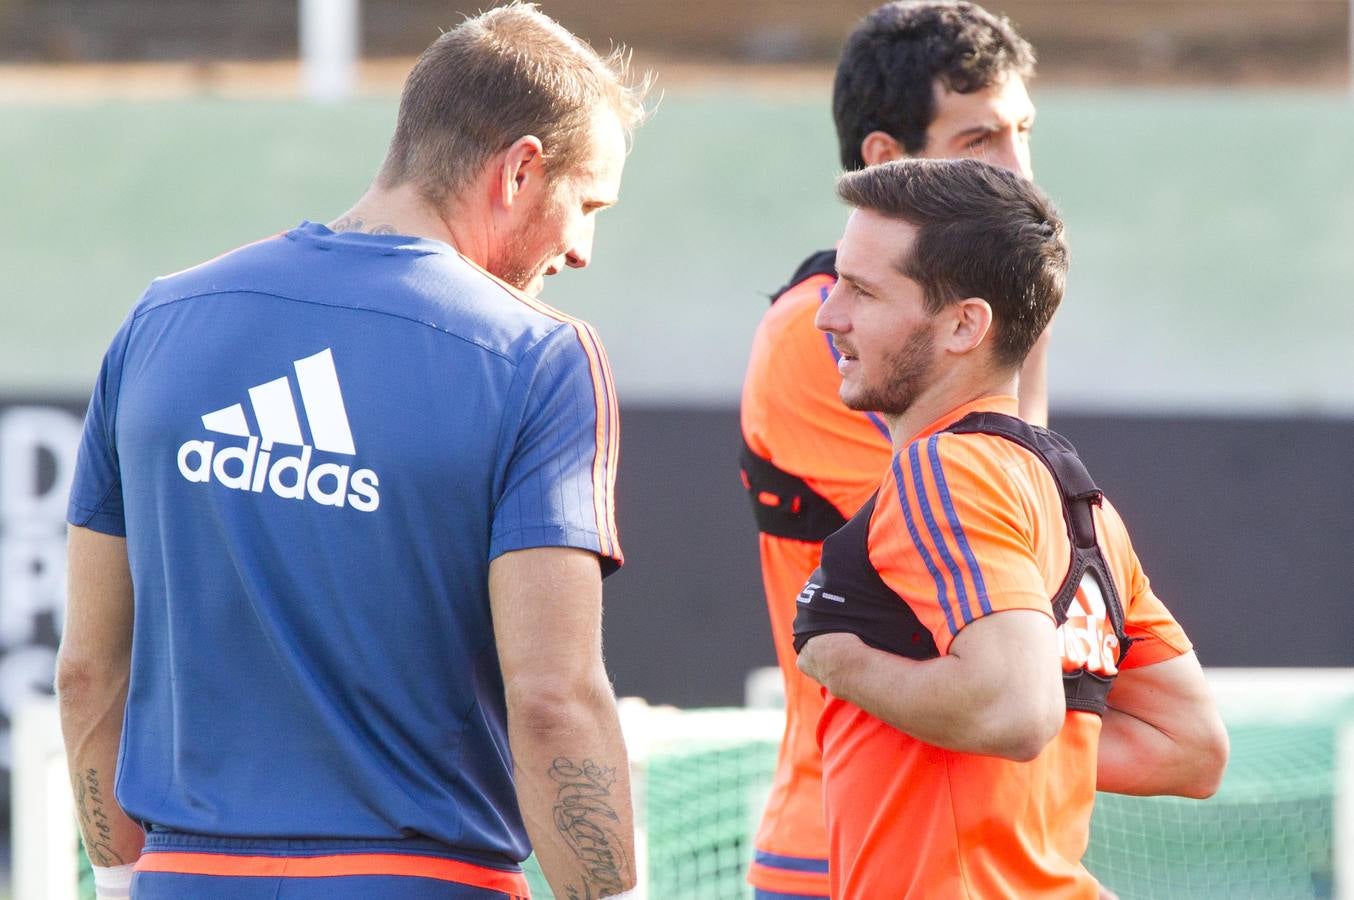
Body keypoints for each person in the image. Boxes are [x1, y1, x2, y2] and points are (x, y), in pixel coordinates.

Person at [58, 6, 647, 899]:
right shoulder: (540, 358)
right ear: (521, 169)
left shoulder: (159, 320)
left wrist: (120, 879)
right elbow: (552, 698)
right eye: (588, 203)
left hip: (184, 877)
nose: (583, 249)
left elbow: (88, 670)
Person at [791, 157, 1229, 898]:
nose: (828, 314)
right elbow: (1185, 748)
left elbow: (1015, 710)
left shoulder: (940, 469)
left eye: (861, 291)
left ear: (965, 324)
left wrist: (839, 660)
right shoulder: (1076, 499)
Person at [740, 4, 1043, 896]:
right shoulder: (822, 332)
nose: (1019, 169)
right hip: (846, 846)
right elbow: (1008, 554)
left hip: (972, 841)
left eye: (1024, 131)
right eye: (981, 138)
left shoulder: (964, 333)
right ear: (887, 161)